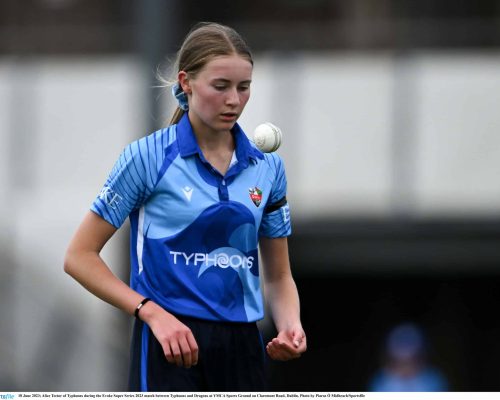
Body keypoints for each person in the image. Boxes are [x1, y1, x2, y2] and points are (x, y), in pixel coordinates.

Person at [64, 21, 307, 392]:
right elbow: (79, 256)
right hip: (170, 343)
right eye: (221, 86)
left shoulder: (268, 168)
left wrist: (290, 324)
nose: (234, 100)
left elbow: (277, 276)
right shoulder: (146, 157)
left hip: (243, 348)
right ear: (186, 82)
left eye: (244, 88)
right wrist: (152, 313)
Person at [369, 322, 448, 392]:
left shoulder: (433, 381)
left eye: (410, 362)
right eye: (401, 363)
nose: (406, 369)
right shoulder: (381, 383)